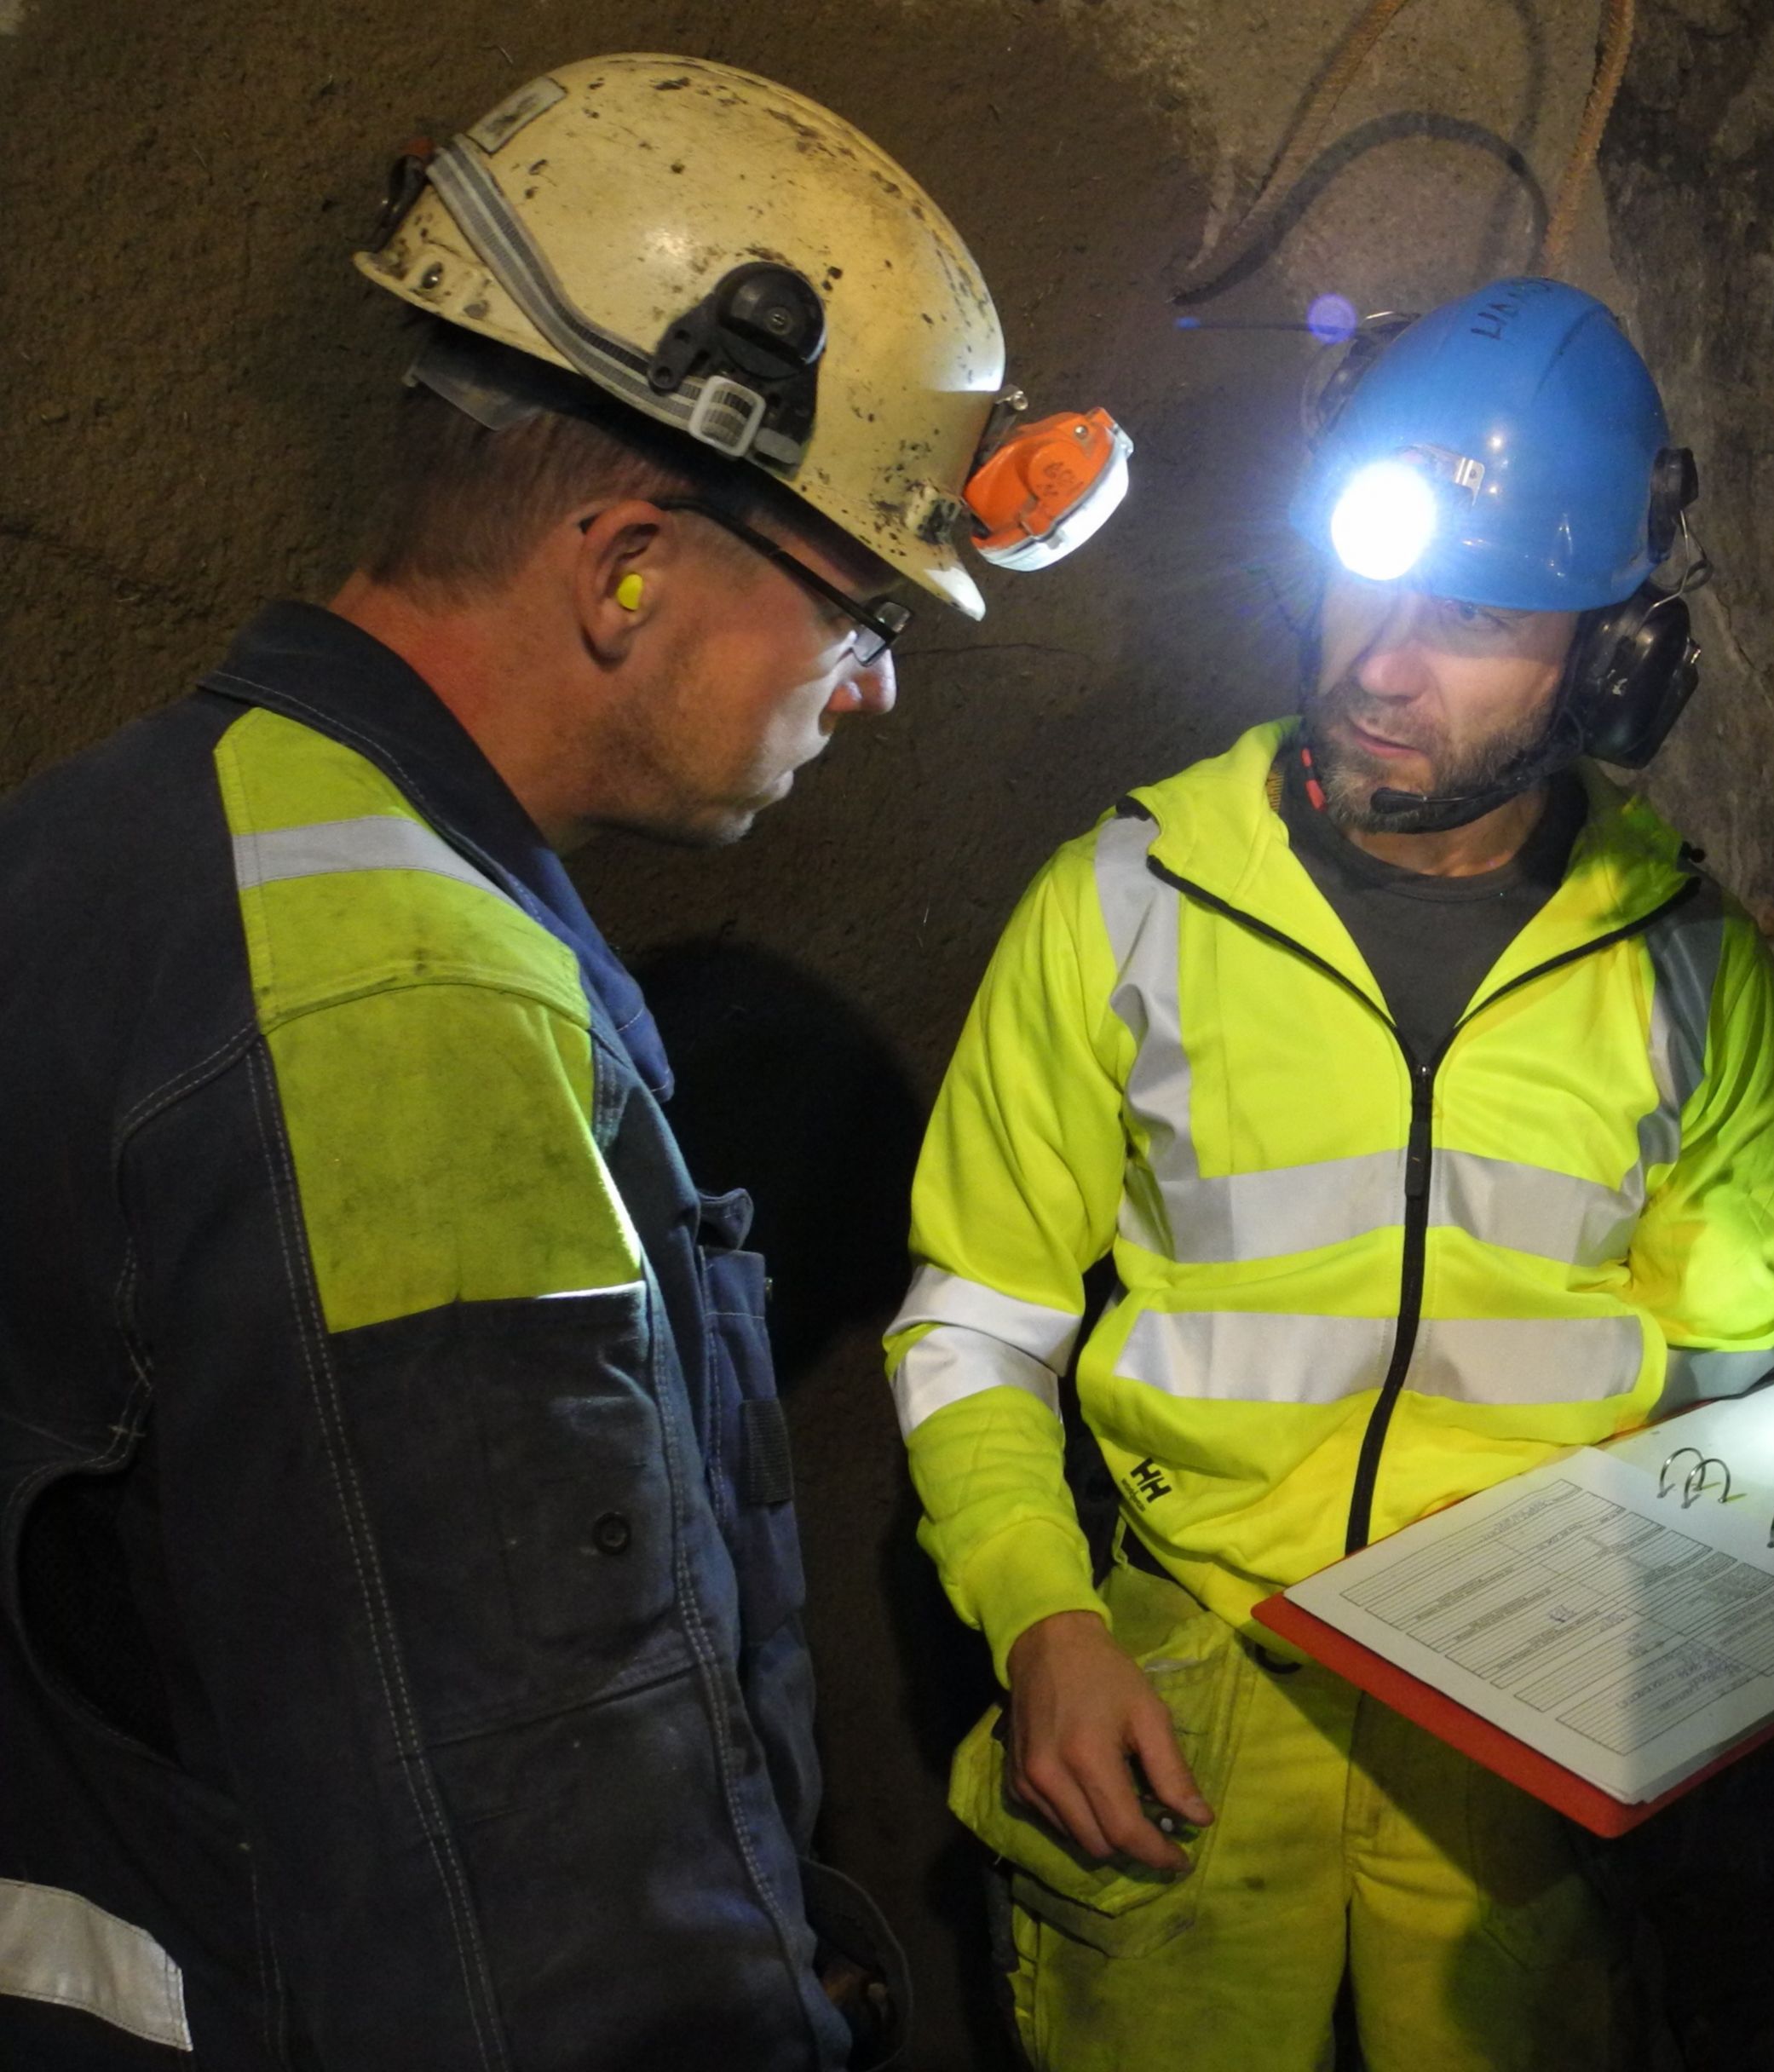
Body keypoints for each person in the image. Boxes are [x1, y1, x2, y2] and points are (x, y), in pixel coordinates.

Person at [0, 55, 1121, 2069]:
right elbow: (550, 1900)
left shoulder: (138, 830)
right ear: (624, 564)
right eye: (859, 610)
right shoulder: (414, 1005)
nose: (863, 692)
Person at [888, 274, 1774, 2069]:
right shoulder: (1128, 900)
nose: (1381, 661)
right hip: (1184, 1692)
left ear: (1611, 661)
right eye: (1364, 575)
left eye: (1472, 615)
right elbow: (970, 1321)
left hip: (1533, 1725)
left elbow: (1732, 1392)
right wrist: (1045, 1615)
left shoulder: (1696, 969)